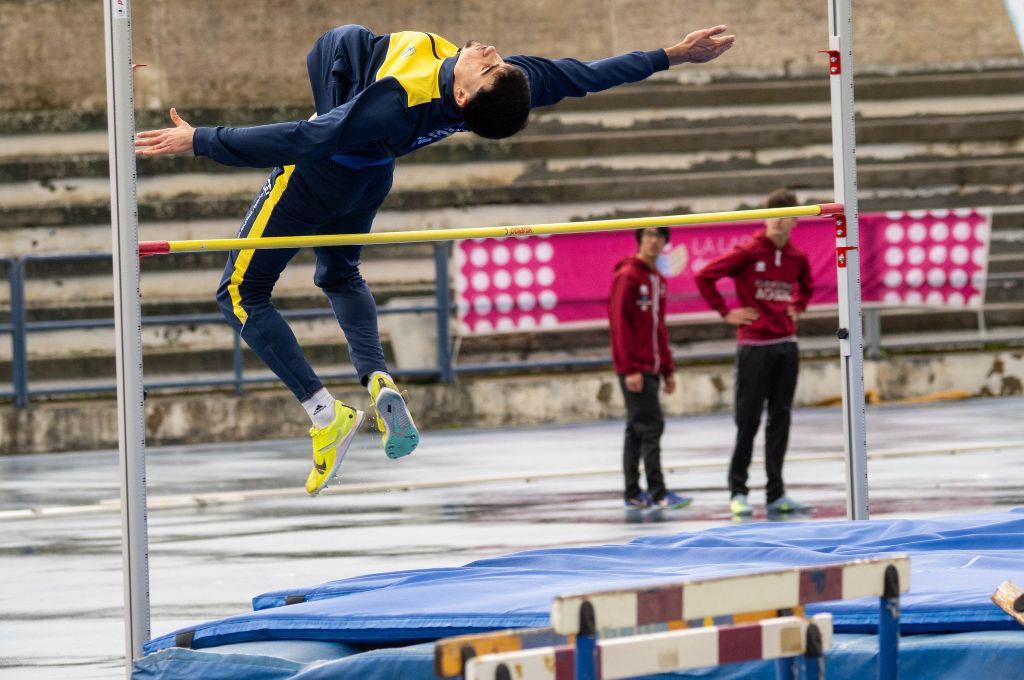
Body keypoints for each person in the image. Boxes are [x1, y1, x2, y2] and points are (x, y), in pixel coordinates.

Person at [135, 24, 736, 496]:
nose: (493, 52)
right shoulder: (496, 88)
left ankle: (324, 415)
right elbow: (584, 75)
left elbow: (305, 139)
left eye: (489, 65)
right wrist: (672, 55)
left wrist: (202, 140)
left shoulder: (399, 100)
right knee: (340, 273)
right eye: (497, 61)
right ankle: (377, 378)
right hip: (370, 177)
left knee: (240, 293)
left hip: (319, 172)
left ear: (463, 94)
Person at [694, 189, 814, 517]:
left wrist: (798, 305)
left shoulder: (797, 256)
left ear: (794, 220)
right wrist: (726, 312)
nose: (777, 222)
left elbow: (808, 286)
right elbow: (704, 276)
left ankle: (776, 493)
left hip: (786, 345)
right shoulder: (748, 250)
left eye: (783, 216)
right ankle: (738, 491)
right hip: (754, 348)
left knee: (781, 419)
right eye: (771, 215)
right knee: (747, 421)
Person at [609, 227, 693, 510]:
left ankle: (633, 493)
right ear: (639, 240)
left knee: (636, 428)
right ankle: (658, 492)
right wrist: (630, 368)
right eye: (648, 235)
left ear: (666, 242)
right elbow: (620, 325)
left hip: (653, 366)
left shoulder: (657, 279)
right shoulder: (628, 276)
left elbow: (659, 327)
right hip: (636, 367)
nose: (654, 240)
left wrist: (668, 369)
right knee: (651, 426)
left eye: (659, 236)